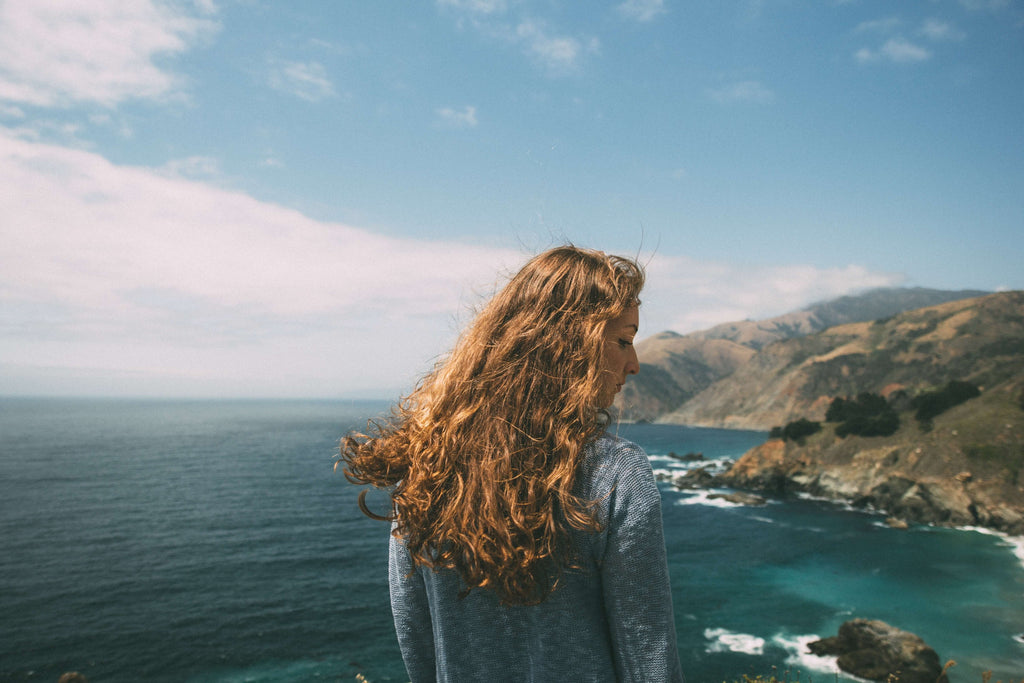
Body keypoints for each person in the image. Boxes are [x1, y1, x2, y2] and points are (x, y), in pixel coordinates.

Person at [340, 246, 684, 682]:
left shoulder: (425, 465)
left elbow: (417, 642)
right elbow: (648, 658)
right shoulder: (616, 474)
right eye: (623, 341)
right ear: (569, 346)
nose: (633, 365)